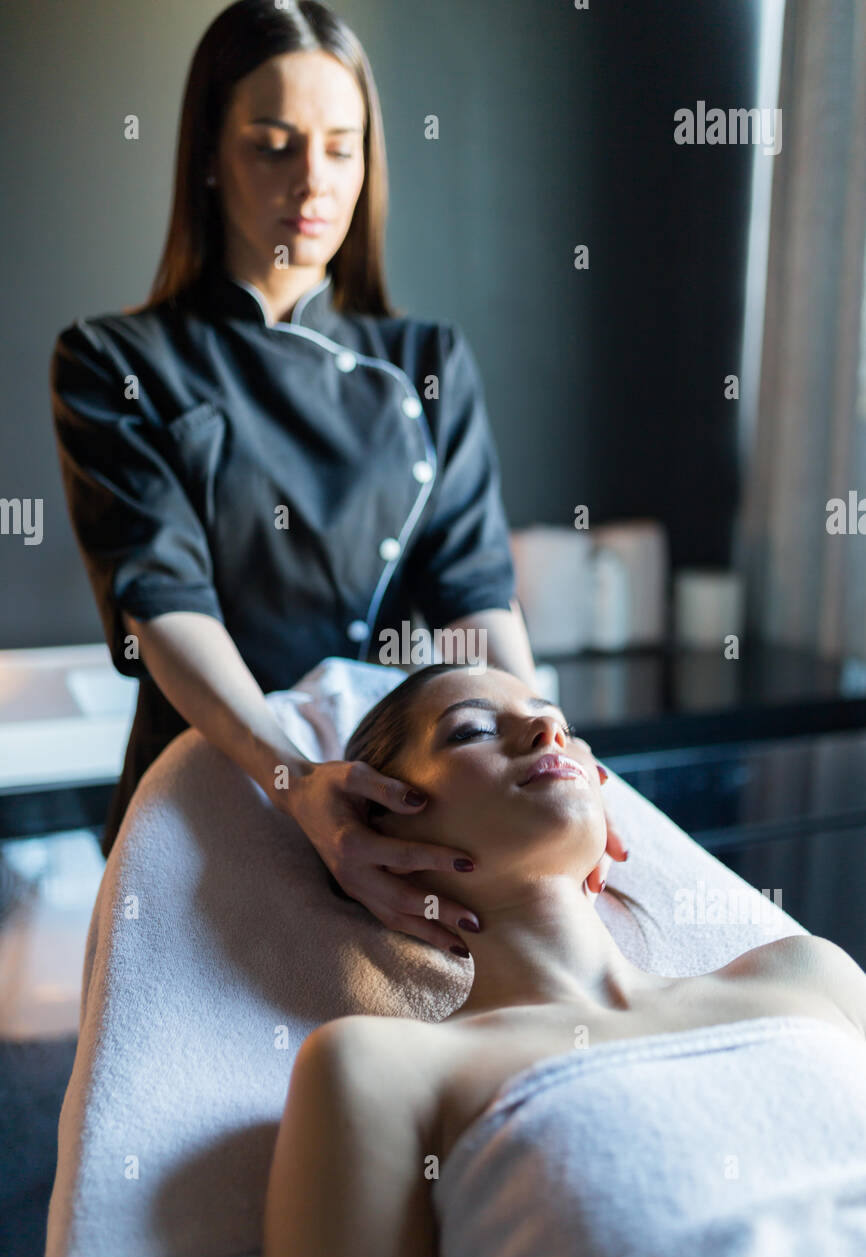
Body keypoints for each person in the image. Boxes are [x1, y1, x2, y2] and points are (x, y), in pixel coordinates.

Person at [49, 0, 626, 941]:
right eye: (273, 145)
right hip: (210, 796)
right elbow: (164, 606)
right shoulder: (114, 359)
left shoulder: (428, 362)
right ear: (207, 154)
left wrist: (550, 747)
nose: (312, 181)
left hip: (407, 810)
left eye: (341, 145)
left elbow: (476, 599)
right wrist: (298, 785)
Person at [262, 661, 866, 1257]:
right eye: (470, 731)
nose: (545, 727)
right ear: (382, 832)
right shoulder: (385, 1067)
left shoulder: (807, 973)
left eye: (562, 721)